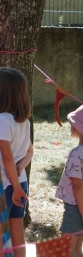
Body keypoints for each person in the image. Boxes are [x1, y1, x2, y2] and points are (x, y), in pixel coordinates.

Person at [0, 67, 34, 257]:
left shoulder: (0, 120)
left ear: (0, 92)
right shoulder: (24, 121)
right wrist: (21, 168)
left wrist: (15, 185)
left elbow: (6, 157)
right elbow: (30, 152)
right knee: (17, 234)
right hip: (18, 183)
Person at [55, 105, 83, 257]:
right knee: (77, 250)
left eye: (74, 123)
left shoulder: (76, 154)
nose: (71, 125)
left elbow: (77, 185)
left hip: (75, 207)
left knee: (65, 250)